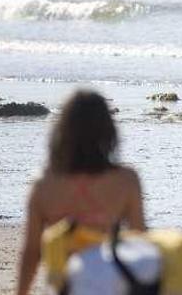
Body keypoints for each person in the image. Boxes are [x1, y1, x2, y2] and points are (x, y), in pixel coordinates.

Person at [17, 90, 145, 295]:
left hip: (63, 286)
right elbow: (140, 245)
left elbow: (32, 253)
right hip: (109, 283)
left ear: (62, 131)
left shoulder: (43, 184)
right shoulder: (126, 181)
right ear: (108, 130)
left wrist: (20, 292)